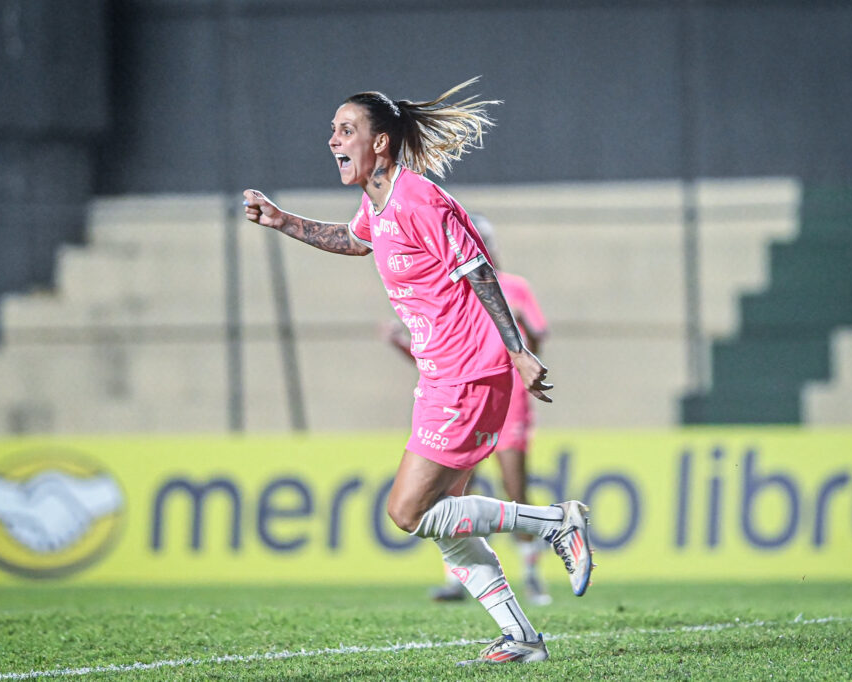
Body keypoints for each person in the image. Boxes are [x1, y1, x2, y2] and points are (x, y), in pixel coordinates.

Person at [243, 77, 593, 665]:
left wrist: (516, 351)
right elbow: (355, 241)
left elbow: (479, 268)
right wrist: (282, 221)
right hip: (443, 376)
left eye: (345, 130)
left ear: (380, 143)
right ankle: (523, 639)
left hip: (468, 372)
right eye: (333, 130)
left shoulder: (416, 198)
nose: (333, 139)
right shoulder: (378, 205)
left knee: (406, 512)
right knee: (444, 525)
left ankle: (557, 521)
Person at [382, 214, 552, 607]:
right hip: (464, 401)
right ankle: (457, 579)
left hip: (509, 403)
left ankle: (531, 575)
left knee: (515, 488)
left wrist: (525, 343)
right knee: (453, 493)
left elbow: (535, 340)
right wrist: (400, 343)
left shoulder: (513, 288)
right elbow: (441, 358)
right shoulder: (452, 291)